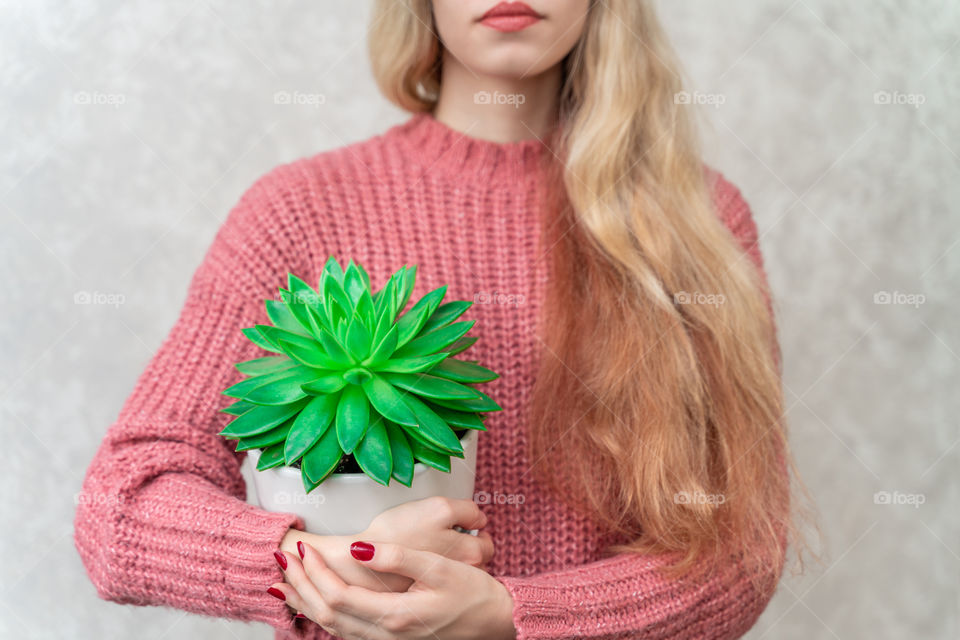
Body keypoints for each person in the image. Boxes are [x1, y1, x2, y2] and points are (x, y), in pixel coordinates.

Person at [75, 1, 802, 638]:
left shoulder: (699, 224)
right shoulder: (298, 211)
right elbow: (122, 506)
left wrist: (509, 616)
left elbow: (741, 554)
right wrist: (315, 566)